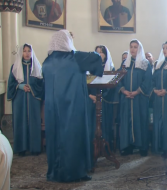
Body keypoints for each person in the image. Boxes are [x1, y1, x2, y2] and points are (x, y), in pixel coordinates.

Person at [43, 30, 104, 182]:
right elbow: (96, 57)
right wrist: (74, 48)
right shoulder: (75, 57)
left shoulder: (47, 61)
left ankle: (55, 172)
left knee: (55, 138)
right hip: (72, 107)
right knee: (74, 137)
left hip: (53, 109)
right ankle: (74, 172)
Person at [7, 44, 43, 156]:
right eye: (24, 51)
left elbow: (41, 84)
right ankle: (21, 148)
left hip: (33, 98)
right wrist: (21, 86)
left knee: (34, 121)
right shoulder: (15, 67)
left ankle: (35, 147)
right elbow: (11, 84)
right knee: (20, 120)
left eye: (29, 51)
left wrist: (31, 87)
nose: (27, 53)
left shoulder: (37, 66)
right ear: (21, 53)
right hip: (19, 98)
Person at [118, 40, 152, 157]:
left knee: (140, 120)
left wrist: (137, 92)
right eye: (131, 47)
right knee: (127, 121)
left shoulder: (145, 63)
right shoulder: (124, 63)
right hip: (127, 98)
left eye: (135, 47)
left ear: (139, 49)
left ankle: (142, 146)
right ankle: (128, 146)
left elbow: (147, 80)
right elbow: (118, 79)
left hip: (140, 99)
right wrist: (124, 91)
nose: (133, 49)